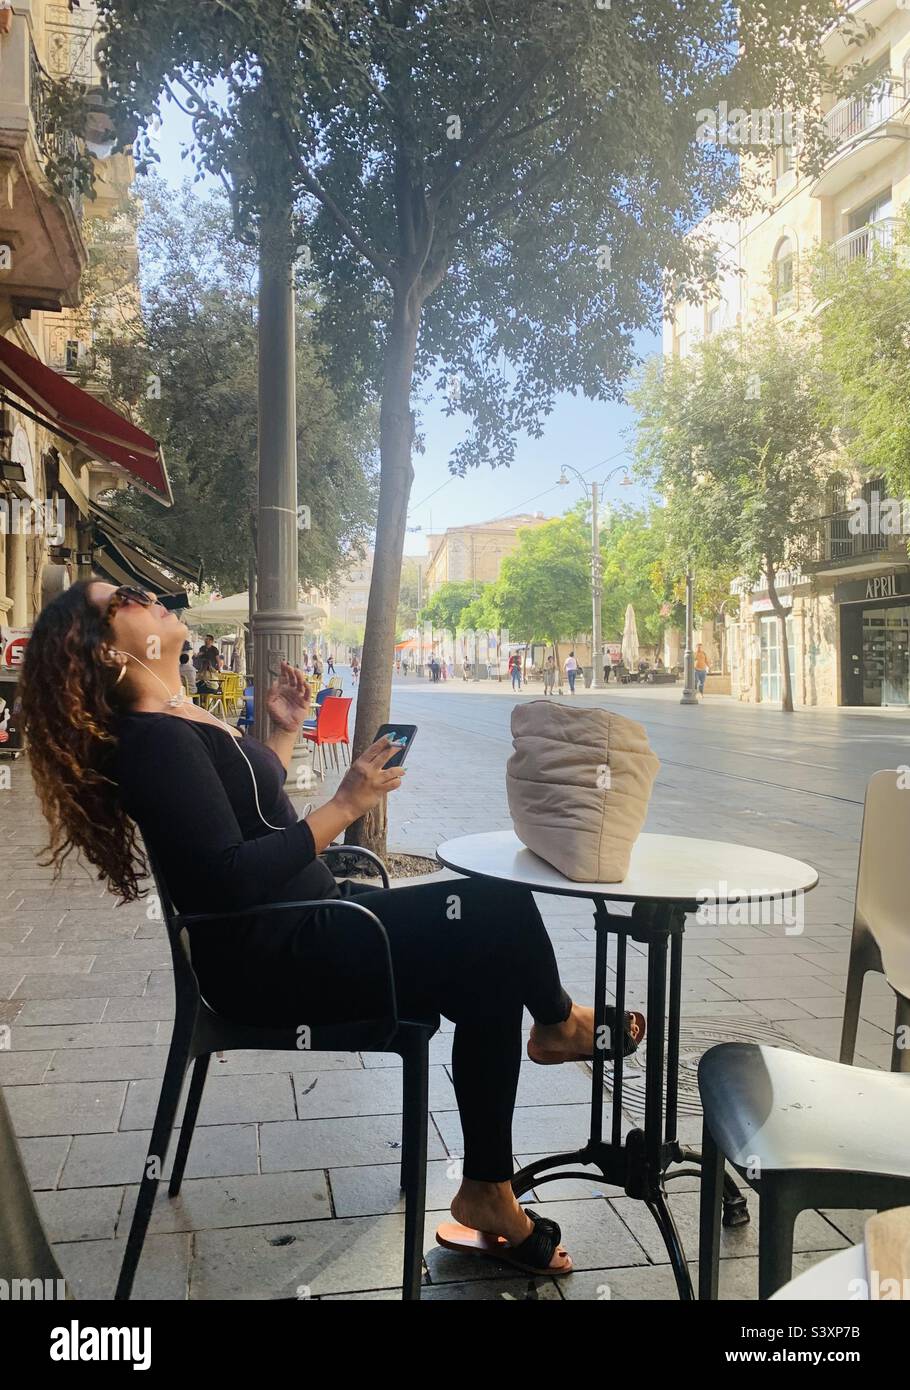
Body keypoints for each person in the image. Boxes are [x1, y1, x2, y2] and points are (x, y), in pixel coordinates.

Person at [17, 580, 646, 1275]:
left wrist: (282, 732)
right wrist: (346, 805)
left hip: (312, 922)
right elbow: (227, 877)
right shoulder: (151, 741)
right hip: (276, 958)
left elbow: (249, 820)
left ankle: (487, 1189)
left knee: (488, 965)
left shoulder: (178, 719)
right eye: (128, 596)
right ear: (107, 651)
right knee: (493, 908)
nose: (155, 594)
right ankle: (556, 1028)